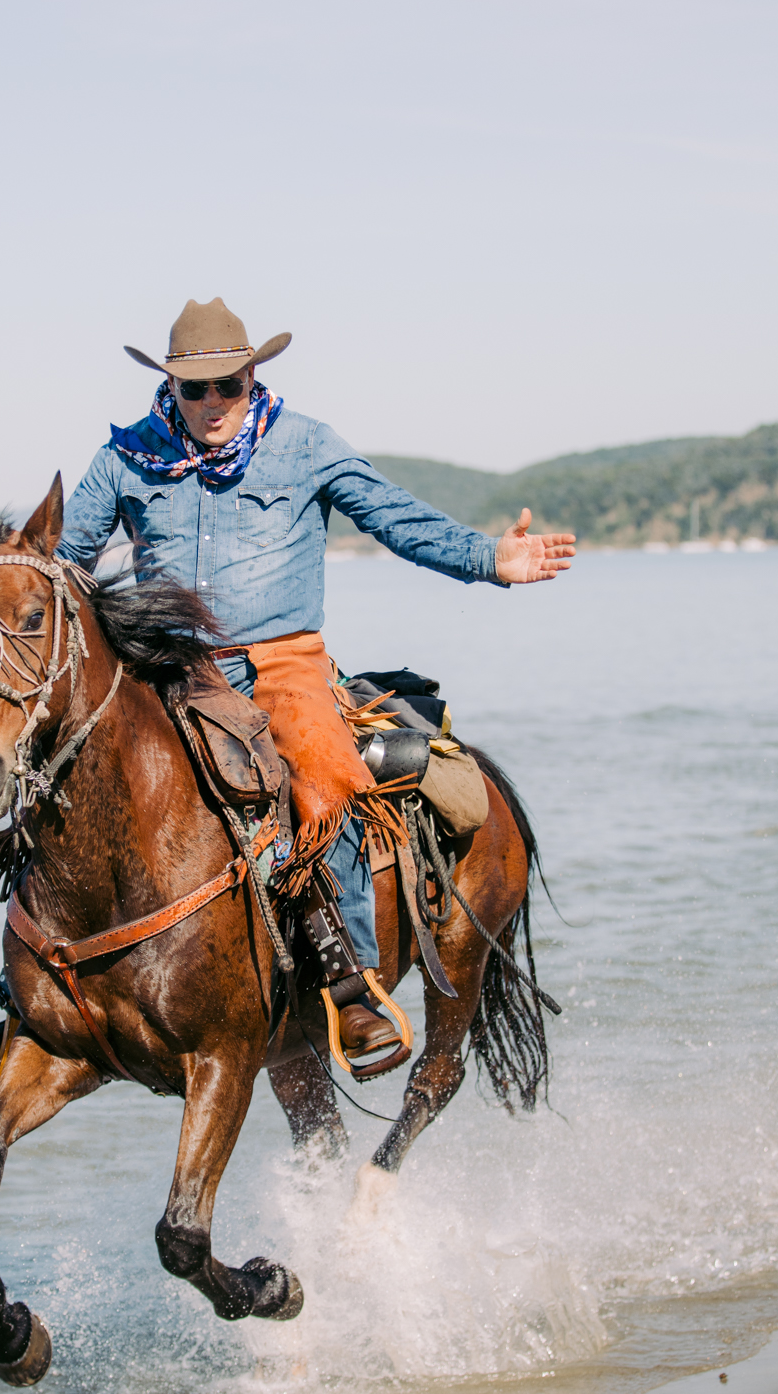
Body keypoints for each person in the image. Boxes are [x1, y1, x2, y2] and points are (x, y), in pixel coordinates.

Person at [58, 298, 575, 1061]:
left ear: (251, 374)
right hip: (165, 667)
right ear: (168, 387)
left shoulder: (304, 445)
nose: (209, 404)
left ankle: (350, 980)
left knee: (321, 774)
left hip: (281, 663)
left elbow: (392, 517)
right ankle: (28, 986)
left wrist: (487, 559)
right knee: (65, 778)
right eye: (192, 389)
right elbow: (69, 566)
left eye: (225, 385)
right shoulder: (126, 457)